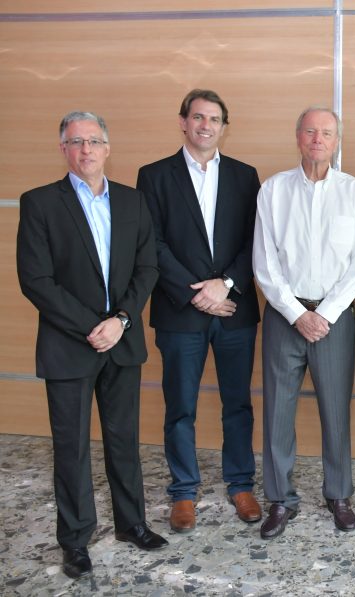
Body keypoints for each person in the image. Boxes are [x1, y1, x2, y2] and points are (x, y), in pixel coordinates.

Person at [16, 111, 167, 580]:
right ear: (63, 149)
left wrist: (120, 321)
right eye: (76, 142)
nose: (86, 150)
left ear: (107, 148)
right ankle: (76, 540)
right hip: (69, 344)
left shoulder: (132, 200)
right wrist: (93, 326)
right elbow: (36, 280)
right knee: (72, 447)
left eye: (94, 141)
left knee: (123, 439)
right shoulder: (40, 202)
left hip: (121, 340)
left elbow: (147, 268)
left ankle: (132, 524)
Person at [136, 89, 262, 533]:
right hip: (179, 311)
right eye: (198, 117)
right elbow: (151, 243)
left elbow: (257, 241)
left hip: (233, 309)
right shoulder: (154, 176)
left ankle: (241, 484)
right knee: (180, 406)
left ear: (224, 127)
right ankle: (183, 492)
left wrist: (223, 283)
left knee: (238, 404)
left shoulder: (245, 176)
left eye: (214, 119)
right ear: (183, 122)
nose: (206, 125)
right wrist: (195, 294)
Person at [253, 107, 355, 537]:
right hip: (285, 316)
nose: (318, 139)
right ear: (298, 137)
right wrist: (297, 313)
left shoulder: (354, 192)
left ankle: (338, 494)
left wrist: (324, 314)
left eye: (327, 133)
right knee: (277, 412)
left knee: (336, 411)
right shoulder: (273, 190)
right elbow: (264, 261)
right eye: (310, 131)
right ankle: (280, 500)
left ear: (337, 141)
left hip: (334, 319)